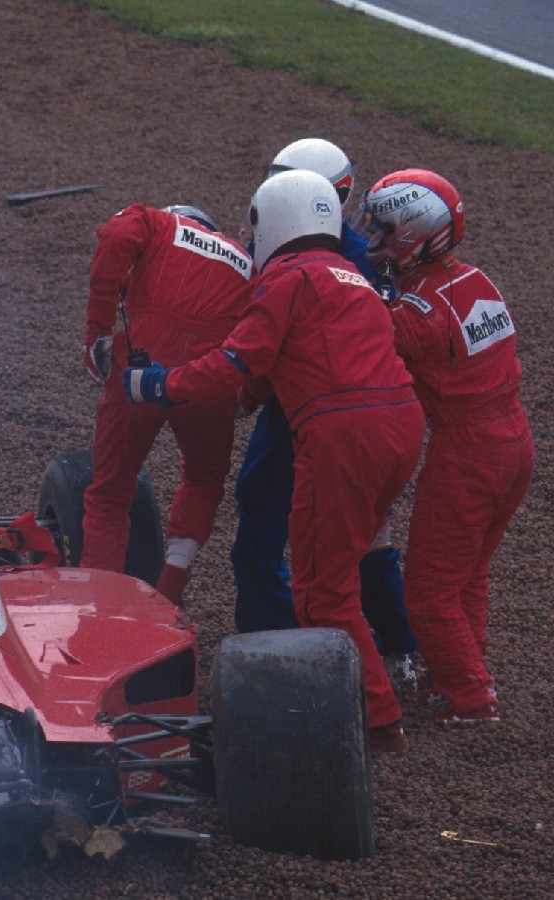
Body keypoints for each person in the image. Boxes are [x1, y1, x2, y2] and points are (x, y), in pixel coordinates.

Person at [124, 170, 424, 752]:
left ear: (279, 220)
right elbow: (292, 361)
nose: (247, 232)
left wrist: (162, 384)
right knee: (349, 561)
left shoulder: (287, 279)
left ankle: (377, 720)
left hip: (341, 432)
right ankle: (390, 679)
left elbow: (237, 361)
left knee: (321, 589)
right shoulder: (352, 277)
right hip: (400, 424)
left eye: (254, 222)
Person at [230, 138, 417, 686]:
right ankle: (391, 644)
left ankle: (279, 649)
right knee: (357, 536)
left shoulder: (320, 259)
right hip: (352, 413)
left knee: (282, 532)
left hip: (312, 415)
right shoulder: (364, 260)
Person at [360, 169, 533, 724]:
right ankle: (455, 677)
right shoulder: (479, 279)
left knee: (430, 592)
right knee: (468, 576)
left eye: (385, 231)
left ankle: (471, 696)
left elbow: (367, 334)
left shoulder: (418, 316)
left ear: (417, 233)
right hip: (514, 445)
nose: (376, 242)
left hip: (468, 454)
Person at [80, 203, 253, 605]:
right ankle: (170, 591)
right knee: (203, 479)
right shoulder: (248, 261)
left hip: (140, 367)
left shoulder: (155, 223)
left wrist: (96, 331)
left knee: (110, 492)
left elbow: (118, 237)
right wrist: (252, 393)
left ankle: (98, 604)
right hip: (208, 379)